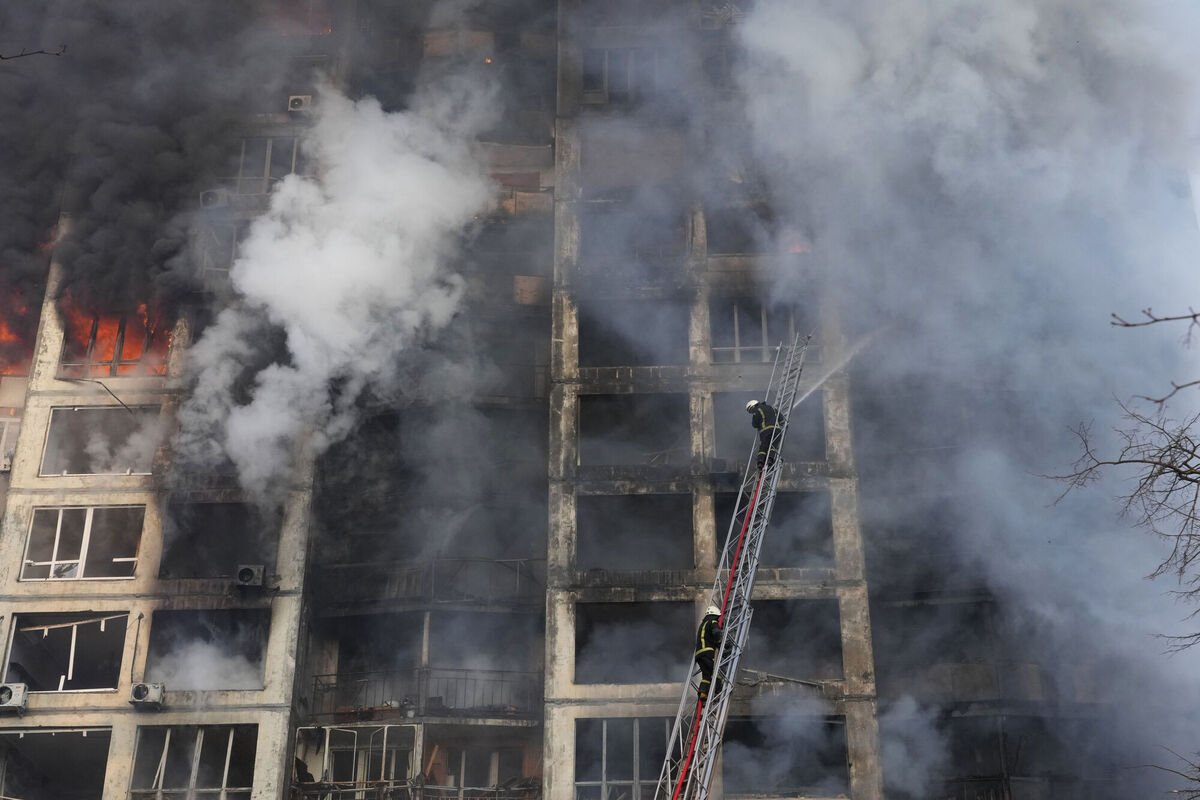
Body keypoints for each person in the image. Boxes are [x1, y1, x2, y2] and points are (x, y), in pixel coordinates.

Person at [694, 605, 723, 703]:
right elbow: (716, 632)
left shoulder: (703, 624)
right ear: (715, 615)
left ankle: (703, 693)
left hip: (699, 654)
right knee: (717, 673)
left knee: (706, 675)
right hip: (708, 652)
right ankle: (718, 693)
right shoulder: (713, 621)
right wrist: (720, 642)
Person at [745, 399, 780, 470]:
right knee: (774, 445)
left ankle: (760, 462)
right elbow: (781, 419)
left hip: (766, 431)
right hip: (777, 429)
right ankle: (770, 459)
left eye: (751, 410)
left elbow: (755, 424)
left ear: (753, 406)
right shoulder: (771, 408)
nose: (752, 412)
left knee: (764, 446)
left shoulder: (757, 410)